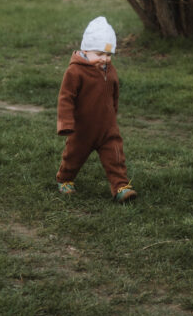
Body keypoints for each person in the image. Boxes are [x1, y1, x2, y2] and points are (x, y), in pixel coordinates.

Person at [56, 16, 137, 203]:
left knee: (115, 156)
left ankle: (121, 186)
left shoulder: (110, 70)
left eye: (109, 55)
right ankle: (65, 179)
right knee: (73, 156)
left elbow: (114, 94)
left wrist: (113, 115)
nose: (105, 59)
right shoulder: (75, 72)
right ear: (86, 50)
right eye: (100, 54)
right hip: (83, 128)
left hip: (107, 127)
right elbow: (65, 98)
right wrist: (66, 123)